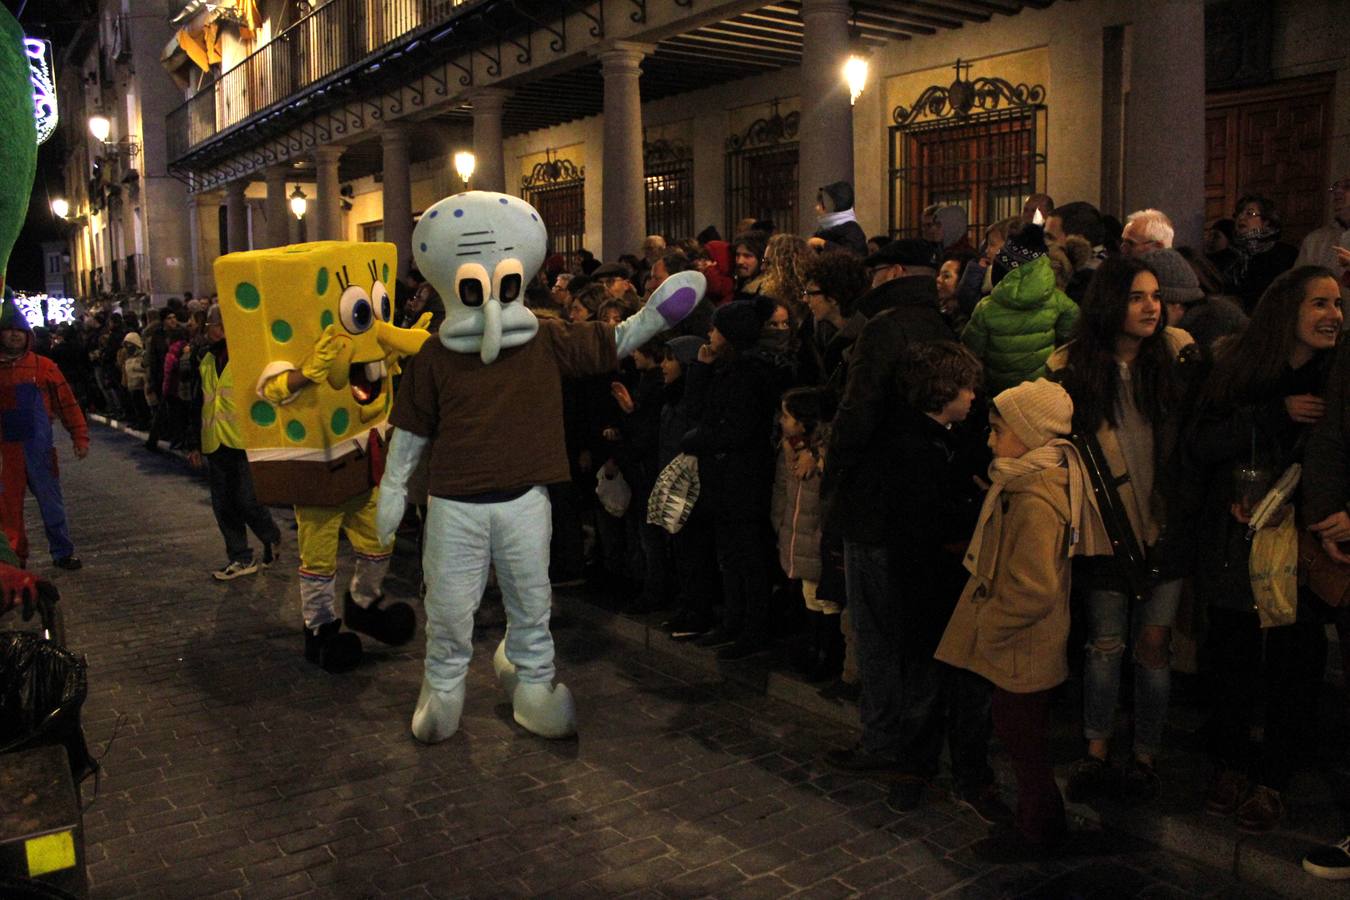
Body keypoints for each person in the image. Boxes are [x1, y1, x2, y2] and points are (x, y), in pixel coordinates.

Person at [1188, 265, 1342, 833]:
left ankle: (1274, 779)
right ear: (1287, 312)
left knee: (1294, 665)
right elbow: (1202, 443)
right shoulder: (1238, 367)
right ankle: (1228, 765)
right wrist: (1272, 414)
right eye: (1319, 304)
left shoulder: (1339, 376)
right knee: (1231, 661)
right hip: (1236, 539)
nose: (1333, 315)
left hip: (1302, 546)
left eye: (1338, 304)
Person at [936, 378, 1110, 861]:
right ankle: (1039, 821)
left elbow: (1034, 587)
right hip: (1023, 640)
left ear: (1031, 433)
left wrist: (990, 627)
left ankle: (1037, 827)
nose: (990, 441)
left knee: (1023, 740)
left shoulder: (1034, 496)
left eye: (998, 430)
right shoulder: (1028, 481)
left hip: (1021, 642)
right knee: (1020, 735)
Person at [1049, 256, 1197, 806]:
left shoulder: (1174, 363)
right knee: (1106, 644)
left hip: (1165, 525)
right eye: (1137, 296)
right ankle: (1096, 751)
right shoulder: (1074, 370)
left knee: (1153, 647)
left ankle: (1145, 756)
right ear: (1112, 302)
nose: (1150, 307)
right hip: (1105, 527)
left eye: (1155, 296)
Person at [821, 238, 953, 773]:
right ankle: (921, 738)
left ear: (892, 272)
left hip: (875, 502)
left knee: (876, 628)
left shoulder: (882, 328)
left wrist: (836, 475)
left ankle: (881, 738)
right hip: (925, 501)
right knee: (918, 629)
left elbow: (856, 413)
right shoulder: (942, 325)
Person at [883, 342, 1002, 819]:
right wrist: (972, 508)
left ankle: (966, 771)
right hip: (927, 582)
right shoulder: (912, 445)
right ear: (943, 390)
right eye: (967, 387)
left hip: (949, 580)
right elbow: (927, 518)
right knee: (927, 681)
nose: (974, 396)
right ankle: (919, 766)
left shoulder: (952, 437)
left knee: (965, 685)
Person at [682, 297, 782, 661]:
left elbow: (735, 427)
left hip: (744, 477)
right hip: (724, 477)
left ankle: (753, 629)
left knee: (748, 556)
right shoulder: (724, 368)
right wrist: (702, 370)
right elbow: (695, 411)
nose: (709, 334)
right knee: (730, 553)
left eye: (715, 329)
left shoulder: (751, 372)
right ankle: (733, 622)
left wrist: (699, 439)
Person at [185, 306, 283, 580]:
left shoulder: (248, 357)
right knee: (224, 505)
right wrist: (194, 443)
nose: (207, 331)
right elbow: (198, 403)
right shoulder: (205, 360)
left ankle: (270, 535)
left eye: (211, 326)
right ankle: (240, 557)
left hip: (244, 442)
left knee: (247, 500)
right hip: (216, 442)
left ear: (225, 326)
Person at [0, 292, 88, 570]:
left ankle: (62, 551)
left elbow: (67, 403)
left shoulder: (43, 366)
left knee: (51, 503)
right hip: (5, 454)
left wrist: (79, 436)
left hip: (39, 450)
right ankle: (15, 558)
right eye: (9, 331)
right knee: (8, 509)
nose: (15, 336)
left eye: (20, 331)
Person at [961, 220, 1078, 394]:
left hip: (1000, 395)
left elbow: (970, 353)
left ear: (999, 271)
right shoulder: (1059, 301)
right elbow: (1069, 340)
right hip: (1043, 391)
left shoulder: (986, 308)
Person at [771, 386, 835, 680]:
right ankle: (814, 649)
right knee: (810, 595)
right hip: (798, 534)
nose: (782, 421)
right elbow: (783, 492)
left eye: (787, 416)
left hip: (817, 538)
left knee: (825, 599)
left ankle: (827, 655)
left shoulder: (823, 455)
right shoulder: (789, 448)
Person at [1146, 247, 1247, 348]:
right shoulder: (1207, 315)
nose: (1147, 309)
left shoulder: (1211, 326)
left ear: (1177, 304)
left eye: (1155, 299)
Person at [1232, 194, 1299, 313]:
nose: (1241, 218)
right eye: (1238, 214)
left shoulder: (1285, 254)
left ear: (1266, 222)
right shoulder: (1235, 255)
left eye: (1250, 214)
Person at [1295, 173, 1350, 303]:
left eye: (1348, 186)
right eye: (1335, 188)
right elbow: (1298, 284)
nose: (1338, 192)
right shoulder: (1316, 240)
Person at [807, 181, 867, 256]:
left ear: (833, 206)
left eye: (822, 203)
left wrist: (823, 244)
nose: (817, 208)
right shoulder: (827, 229)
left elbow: (854, 258)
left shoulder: (853, 231)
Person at [731, 232, 768, 300]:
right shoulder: (739, 284)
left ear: (761, 259)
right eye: (737, 255)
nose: (740, 261)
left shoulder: (765, 292)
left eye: (747, 256)